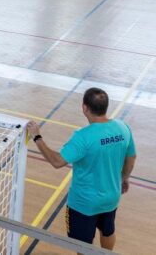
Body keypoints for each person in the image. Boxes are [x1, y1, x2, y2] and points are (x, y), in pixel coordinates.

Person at [26, 87, 136, 251]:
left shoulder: (83, 136)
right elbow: (131, 157)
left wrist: (37, 137)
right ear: (105, 106)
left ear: (85, 108)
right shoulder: (123, 127)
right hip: (111, 197)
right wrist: (124, 178)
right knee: (108, 231)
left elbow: (57, 161)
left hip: (84, 204)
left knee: (82, 245)